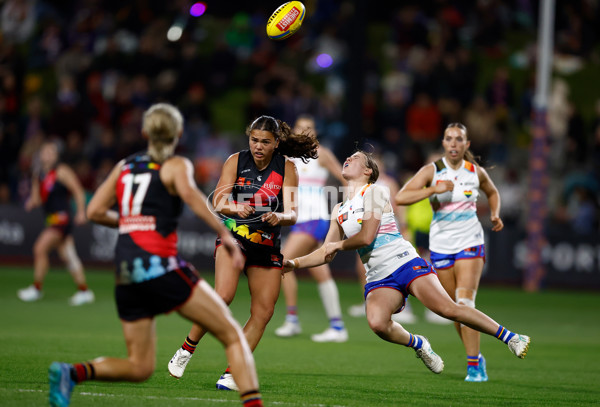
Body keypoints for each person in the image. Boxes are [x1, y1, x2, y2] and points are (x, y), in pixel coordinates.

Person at [47, 103, 264, 407]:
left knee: (140, 366)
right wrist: (227, 238)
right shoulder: (176, 166)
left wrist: (130, 221)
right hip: (158, 264)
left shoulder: (125, 165)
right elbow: (199, 201)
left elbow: (95, 210)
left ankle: (72, 373)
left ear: (145, 131)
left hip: (126, 271)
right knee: (233, 335)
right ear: (178, 132)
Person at [283, 150, 530, 377]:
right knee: (377, 323)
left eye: (356, 157)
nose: (348, 158)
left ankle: (510, 337)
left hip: (404, 263)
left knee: (447, 309)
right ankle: (419, 343)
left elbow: (366, 236)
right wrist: (293, 263)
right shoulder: (339, 208)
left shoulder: (375, 191)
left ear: (368, 170)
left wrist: (338, 245)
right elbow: (326, 252)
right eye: (348, 156)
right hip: (379, 278)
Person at [168, 115, 318, 390]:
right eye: (254, 140)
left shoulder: (287, 168)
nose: (258, 146)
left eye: (265, 142)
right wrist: (236, 209)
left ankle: (233, 373)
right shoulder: (236, 160)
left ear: (276, 143)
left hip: (267, 245)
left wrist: (279, 217)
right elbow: (218, 200)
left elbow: (293, 213)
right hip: (234, 237)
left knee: (264, 312)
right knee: (223, 294)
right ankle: (186, 349)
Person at [395, 122, 504, 382]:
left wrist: (496, 213)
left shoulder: (474, 172)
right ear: (443, 143)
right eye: (449, 138)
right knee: (453, 308)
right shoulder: (432, 171)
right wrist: (433, 189)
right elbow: (400, 197)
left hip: (470, 242)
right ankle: (475, 354)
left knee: (466, 302)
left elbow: (492, 192)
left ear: (466, 145)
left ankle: (474, 365)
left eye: (459, 139)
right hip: (441, 245)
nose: (453, 143)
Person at [274, 114, 349, 342]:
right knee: (321, 272)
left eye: (310, 128)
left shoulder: (322, 154)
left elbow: (346, 178)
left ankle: (292, 319)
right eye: (301, 128)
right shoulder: (287, 156)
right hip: (301, 220)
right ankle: (337, 327)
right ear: (294, 131)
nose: (306, 132)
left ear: (315, 131)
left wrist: (347, 209)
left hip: (314, 220)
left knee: (280, 263)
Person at [17, 140, 94, 306]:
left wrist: (81, 211)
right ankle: (84, 291)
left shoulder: (62, 171)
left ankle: (36, 288)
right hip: (50, 219)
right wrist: (31, 202)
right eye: (45, 152)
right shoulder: (38, 174)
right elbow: (37, 199)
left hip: (61, 219)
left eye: (51, 152)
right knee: (68, 255)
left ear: (56, 155)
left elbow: (77, 190)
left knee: (39, 248)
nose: (48, 155)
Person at [347, 155, 418, 324]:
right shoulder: (360, 186)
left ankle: (404, 307)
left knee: (395, 267)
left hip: (387, 229)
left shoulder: (388, 183)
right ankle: (370, 301)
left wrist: (405, 226)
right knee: (363, 266)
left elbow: (399, 205)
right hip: (367, 230)